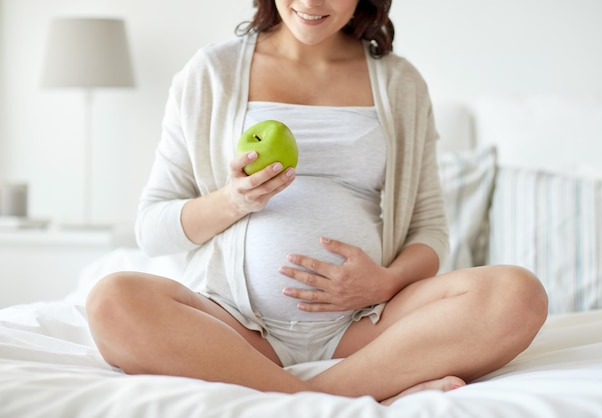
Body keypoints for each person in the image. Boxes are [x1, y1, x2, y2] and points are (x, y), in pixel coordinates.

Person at [86, 0, 548, 404]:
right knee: (112, 300)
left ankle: (307, 396)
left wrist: (384, 284)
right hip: (237, 327)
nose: (311, 1)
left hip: (365, 327)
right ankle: (349, 394)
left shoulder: (399, 82)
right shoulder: (212, 73)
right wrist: (233, 201)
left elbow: (430, 229)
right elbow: (152, 228)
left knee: (518, 294)